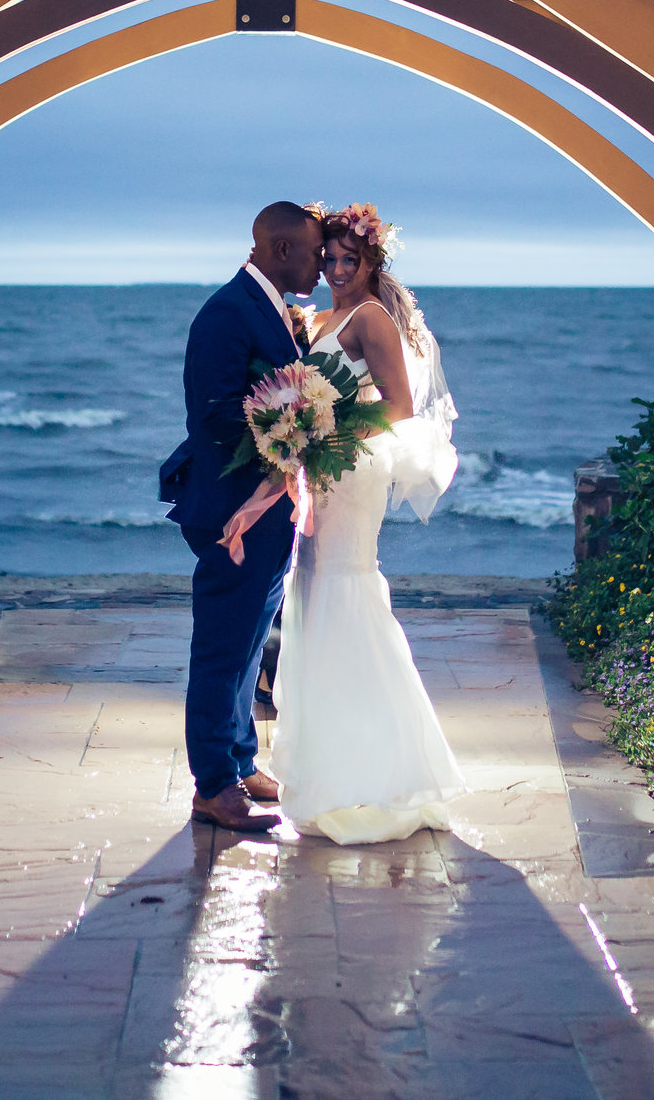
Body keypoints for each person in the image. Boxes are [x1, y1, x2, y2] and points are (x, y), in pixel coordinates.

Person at [218, 203, 464, 844]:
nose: (333, 269)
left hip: (352, 476)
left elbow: (401, 406)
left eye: (346, 260)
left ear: (370, 262)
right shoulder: (321, 319)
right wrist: (296, 441)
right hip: (321, 473)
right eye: (326, 259)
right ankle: (330, 769)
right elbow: (305, 408)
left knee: (347, 593)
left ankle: (383, 772)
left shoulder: (372, 317)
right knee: (312, 596)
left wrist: (331, 427)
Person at [159, 200, 322, 832]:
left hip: (265, 508)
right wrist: (297, 436)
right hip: (233, 510)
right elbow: (218, 414)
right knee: (223, 648)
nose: (319, 266)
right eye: (312, 253)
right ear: (282, 250)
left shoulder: (271, 310)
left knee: (253, 640)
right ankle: (213, 787)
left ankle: (240, 757)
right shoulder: (227, 313)